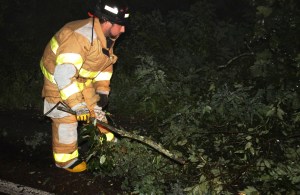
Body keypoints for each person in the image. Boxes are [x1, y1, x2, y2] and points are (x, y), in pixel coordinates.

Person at [40, 0, 130, 173]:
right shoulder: (79, 36)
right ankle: (66, 160)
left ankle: (110, 146)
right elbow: (63, 75)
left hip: (81, 81)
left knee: (96, 113)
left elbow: (104, 65)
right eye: (120, 25)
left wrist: (102, 90)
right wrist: (78, 106)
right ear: (106, 21)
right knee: (67, 120)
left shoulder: (106, 36)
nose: (123, 30)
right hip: (59, 83)